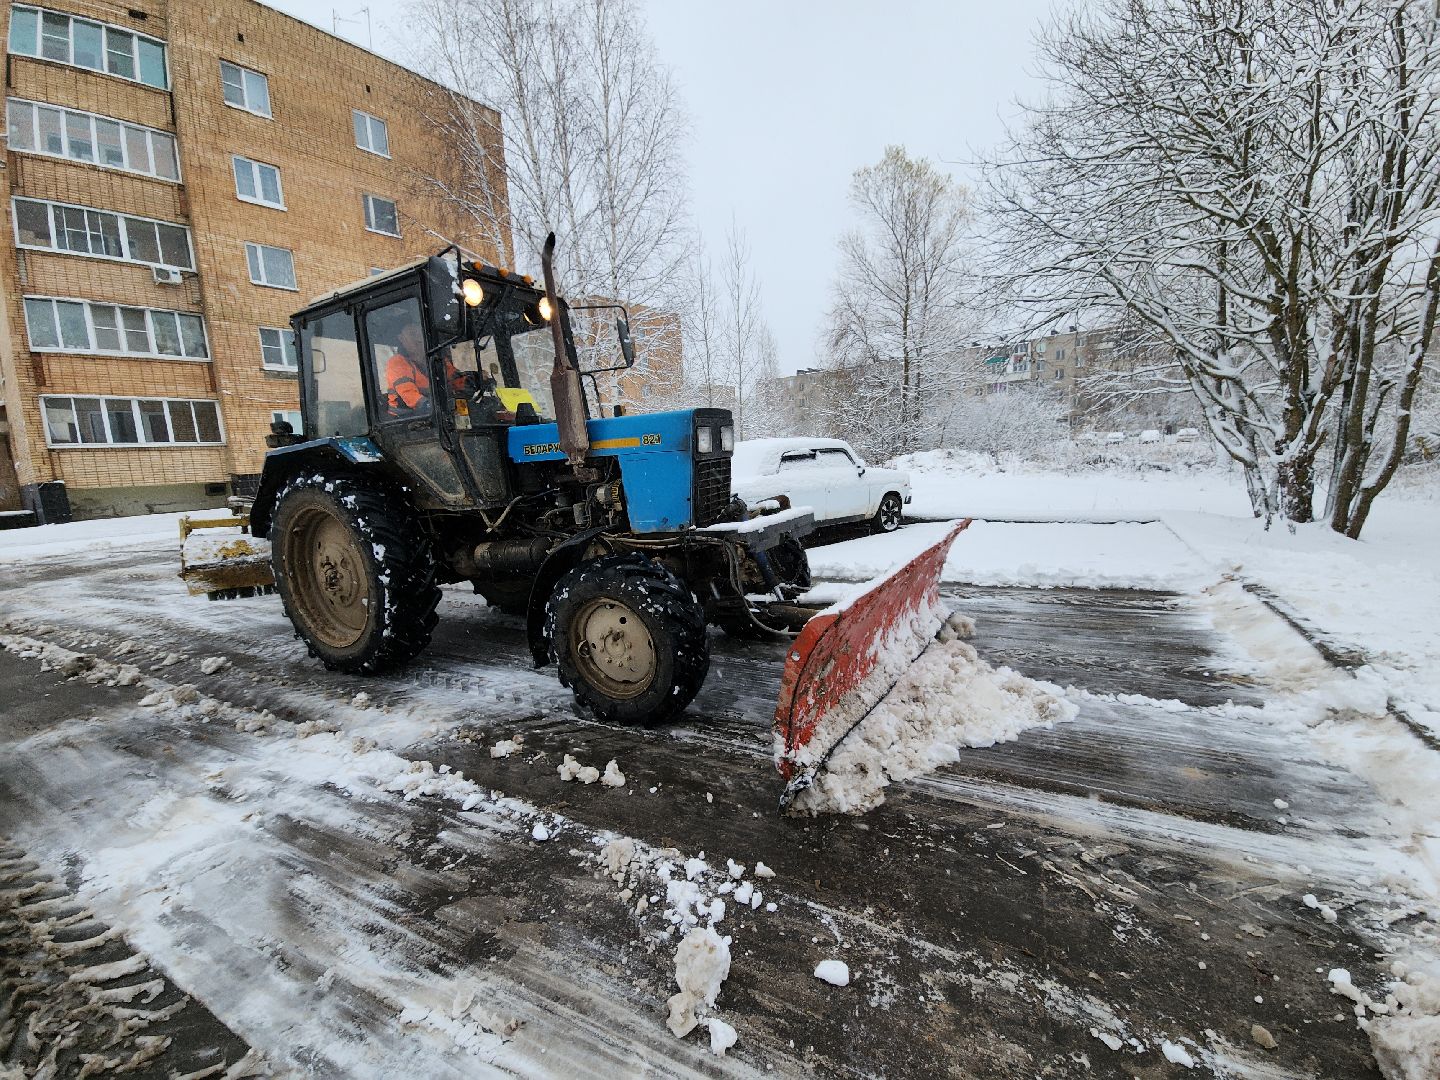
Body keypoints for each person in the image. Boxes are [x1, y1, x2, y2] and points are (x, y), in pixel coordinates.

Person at [385, 324, 477, 416]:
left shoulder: (436, 360)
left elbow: (455, 380)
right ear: (401, 339)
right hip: (405, 418)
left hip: (432, 416)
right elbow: (409, 394)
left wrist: (473, 380)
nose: (418, 339)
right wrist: (432, 406)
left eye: (419, 334)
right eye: (412, 334)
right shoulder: (398, 362)